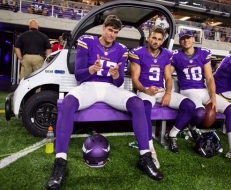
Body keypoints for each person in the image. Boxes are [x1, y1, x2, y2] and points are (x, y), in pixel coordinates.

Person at [47, 15, 163, 189]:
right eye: (110, 30)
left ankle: (145, 157)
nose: (112, 35)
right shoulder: (87, 42)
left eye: (116, 32)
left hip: (109, 89)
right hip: (89, 86)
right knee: (67, 103)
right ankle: (60, 162)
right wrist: (91, 69)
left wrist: (117, 76)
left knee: (138, 104)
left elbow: (118, 83)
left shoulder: (122, 49)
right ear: (103, 28)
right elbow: (79, 75)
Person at [172, 30, 231, 165]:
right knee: (200, 113)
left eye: (188, 37)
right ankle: (192, 127)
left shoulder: (203, 53)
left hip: (203, 90)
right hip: (188, 91)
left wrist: (213, 97)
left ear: (193, 39)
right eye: (183, 38)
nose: (185, 41)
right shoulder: (176, 56)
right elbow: (167, 74)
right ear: (180, 41)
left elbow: (209, 78)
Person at [129, 26, 196, 155]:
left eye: (159, 39)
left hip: (160, 90)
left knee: (189, 105)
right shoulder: (138, 52)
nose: (156, 41)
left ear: (162, 41)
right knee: (145, 108)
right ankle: (149, 145)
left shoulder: (166, 54)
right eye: (154, 38)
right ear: (149, 38)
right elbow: (135, 80)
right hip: (145, 91)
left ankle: (172, 134)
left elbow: (168, 77)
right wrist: (145, 90)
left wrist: (168, 93)